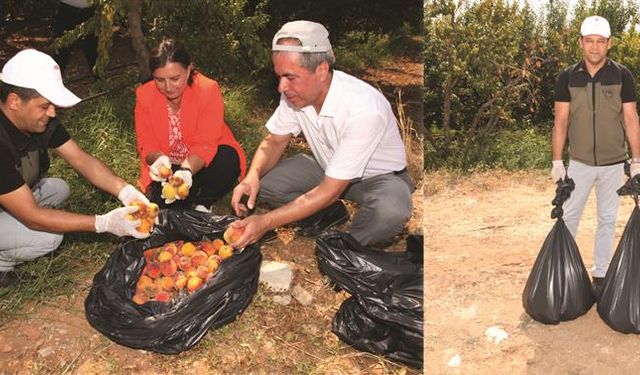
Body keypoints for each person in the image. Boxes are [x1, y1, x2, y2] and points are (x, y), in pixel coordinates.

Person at [230, 20, 414, 248]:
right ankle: (328, 213)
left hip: (378, 178)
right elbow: (275, 141)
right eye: (279, 77)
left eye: (290, 77)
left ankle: (348, 247)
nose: (281, 87)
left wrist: (265, 222)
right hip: (326, 167)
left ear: (322, 70)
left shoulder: (364, 108)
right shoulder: (294, 94)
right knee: (266, 184)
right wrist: (252, 176)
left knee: (389, 212)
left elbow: (330, 190)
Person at [0, 49, 150, 287]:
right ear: (14, 102)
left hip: (8, 193)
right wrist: (102, 223)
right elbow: (33, 218)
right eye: (45, 105)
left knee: (59, 188)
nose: (52, 112)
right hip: (18, 204)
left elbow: (81, 160)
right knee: (48, 236)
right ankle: (1, 265)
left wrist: (125, 190)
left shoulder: (37, 120)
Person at [551, 15, 640, 294]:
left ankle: (600, 276)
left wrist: (637, 161)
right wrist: (557, 161)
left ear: (609, 44)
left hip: (614, 164)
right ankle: (567, 273)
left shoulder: (622, 75)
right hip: (578, 164)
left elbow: (631, 120)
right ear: (581, 43)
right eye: (589, 41)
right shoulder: (567, 77)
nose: (594, 47)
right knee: (568, 217)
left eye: (600, 41)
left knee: (607, 219)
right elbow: (561, 122)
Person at [134, 38, 246, 212]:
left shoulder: (207, 90)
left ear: (188, 70)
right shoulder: (145, 95)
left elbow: (206, 142)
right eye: (159, 80)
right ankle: (188, 199)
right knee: (164, 210)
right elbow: (145, 142)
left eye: (174, 78)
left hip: (204, 161)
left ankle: (204, 203)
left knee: (228, 159)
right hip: (170, 166)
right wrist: (157, 160)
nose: (168, 87)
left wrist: (186, 172)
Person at [51, 0, 98, 77]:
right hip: (67, 9)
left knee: (93, 49)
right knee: (61, 51)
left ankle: (99, 82)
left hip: (90, 10)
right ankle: (52, 82)